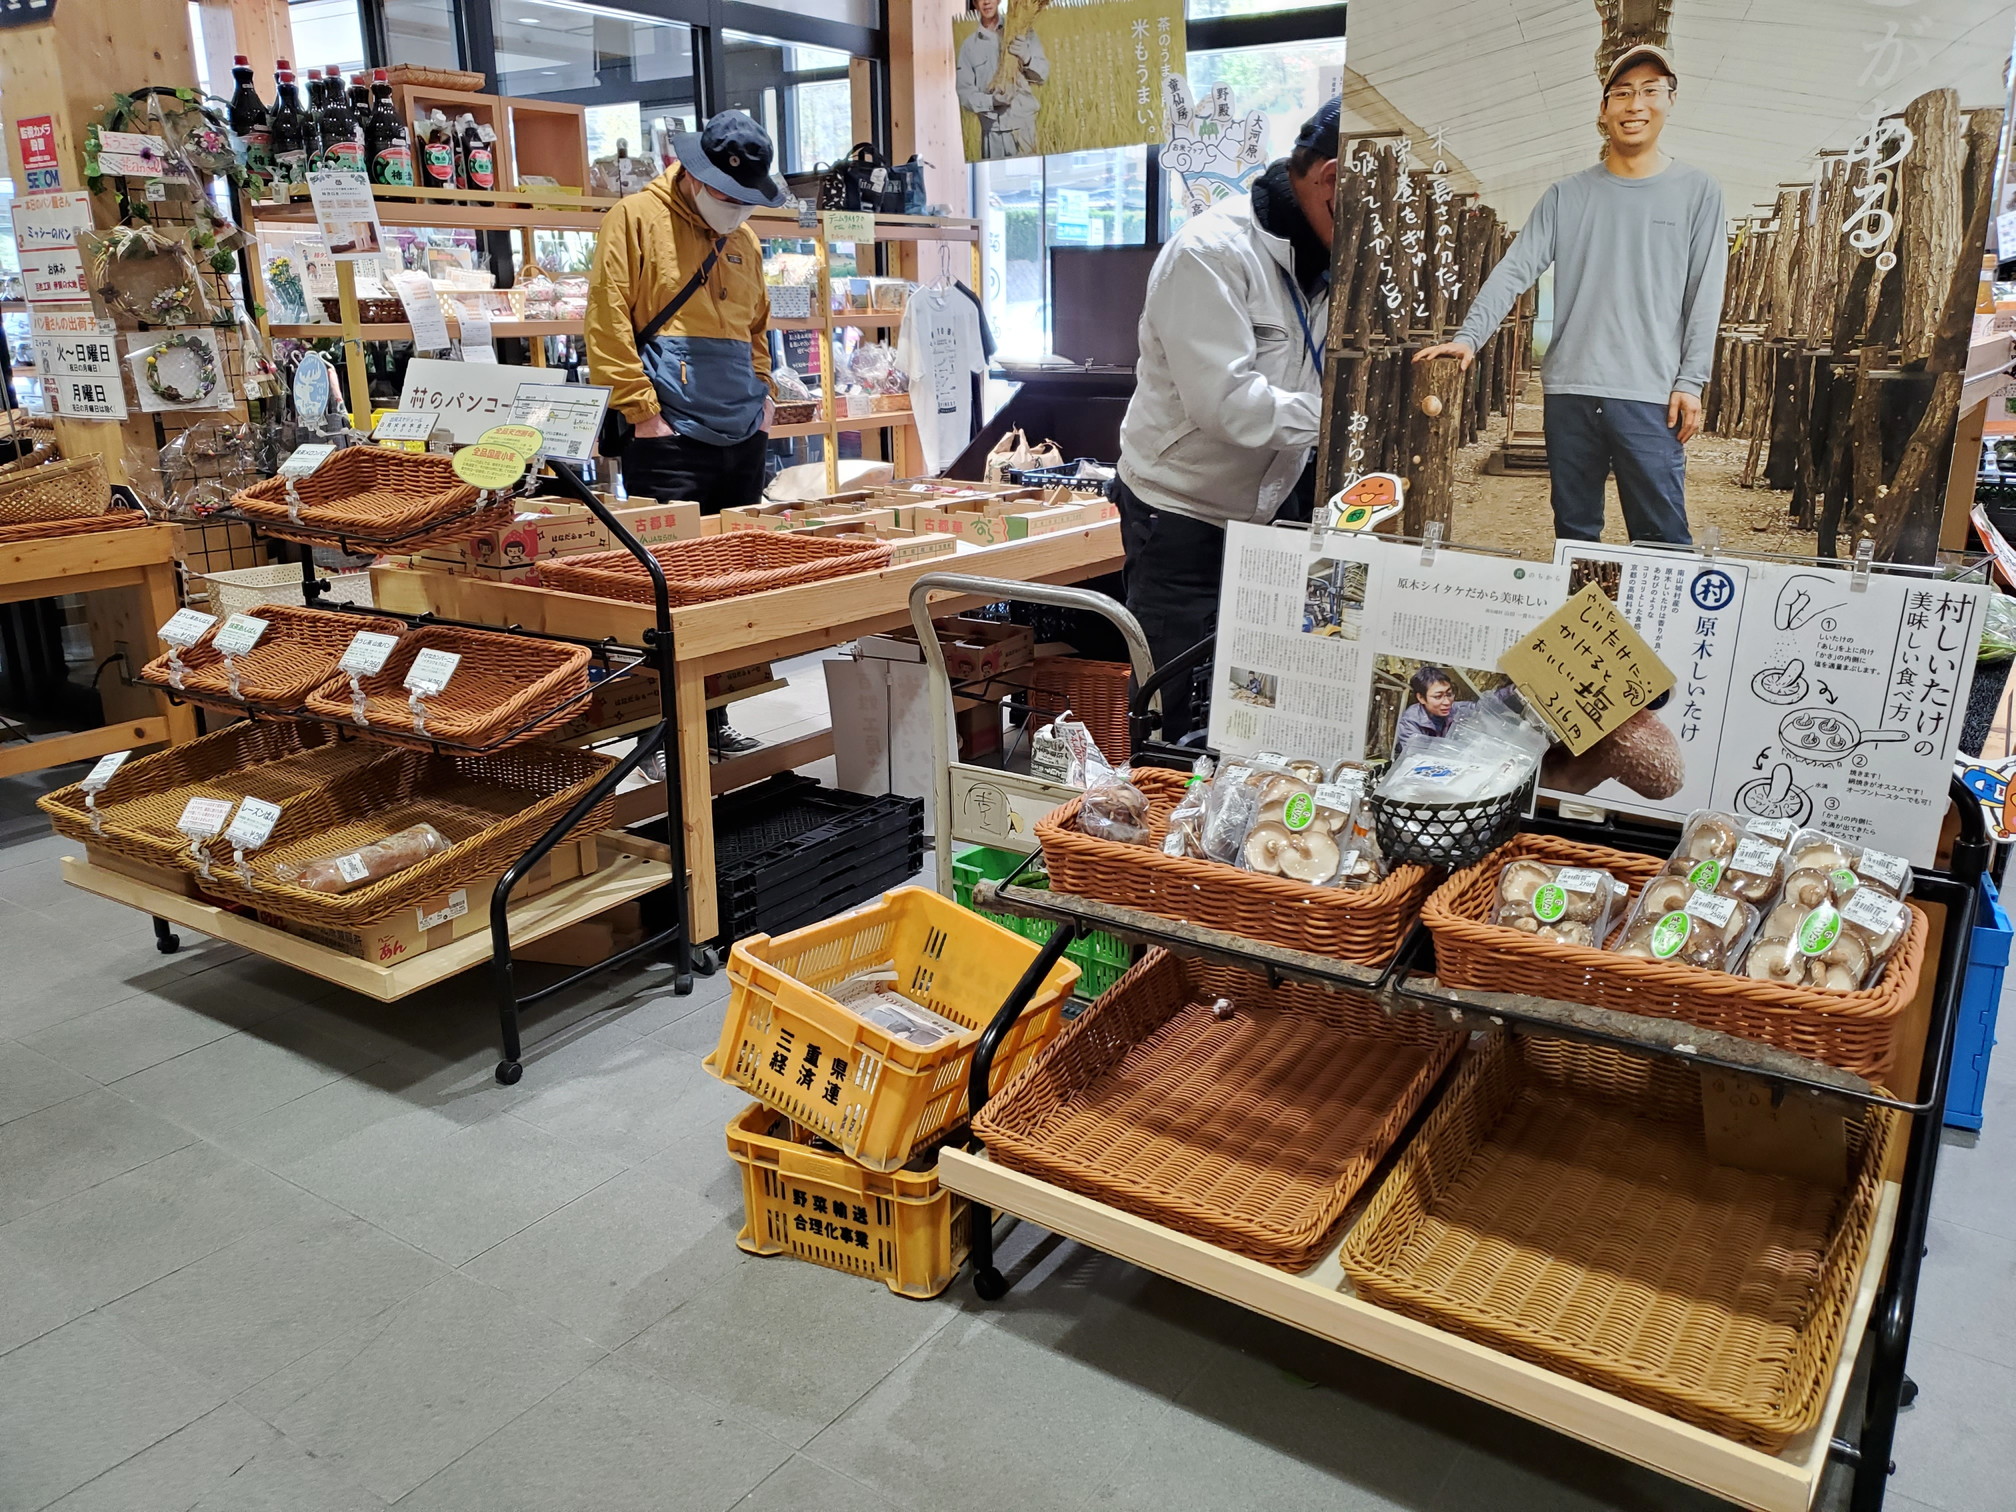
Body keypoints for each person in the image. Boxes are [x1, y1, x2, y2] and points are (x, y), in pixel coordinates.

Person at [1416, 44, 1725, 546]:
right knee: (1575, 532)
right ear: (1603, 110)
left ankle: (1658, 627)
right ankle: (1584, 621)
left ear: (1669, 102)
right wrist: (1469, 338)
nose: (1635, 105)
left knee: (1662, 535)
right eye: (1622, 94)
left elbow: (1705, 291)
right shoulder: (1566, 195)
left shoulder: (1698, 191)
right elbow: (1515, 270)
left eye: (1650, 92)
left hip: (1649, 394)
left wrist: (1690, 381)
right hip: (1570, 391)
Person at [1115, 98, 1340, 738]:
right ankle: (1158, 819)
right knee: (1172, 700)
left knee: (1256, 694)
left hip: (1270, 505)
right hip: (1181, 507)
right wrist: (1344, 421)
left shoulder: (1320, 258)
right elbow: (1226, 404)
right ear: (1328, 180)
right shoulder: (1210, 253)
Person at [586, 108, 787, 755]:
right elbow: (607, 324)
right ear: (697, 175)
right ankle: (661, 731)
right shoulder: (634, 220)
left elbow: (758, 329)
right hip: (667, 436)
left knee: (735, 582)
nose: (735, 208)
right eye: (727, 194)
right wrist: (644, 413)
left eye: (745, 199)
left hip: (742, 432)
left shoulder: (747, 241)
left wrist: (766, 398)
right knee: (666, 587)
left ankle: (717, 717)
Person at [955, 0, 1048, 160]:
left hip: (1023, 128)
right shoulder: (969, 46)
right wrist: (992, 101)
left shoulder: (1023, 31)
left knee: (1027, 180)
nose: (986, 2)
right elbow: (965, 94)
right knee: (992, 182)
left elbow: (1043, 75)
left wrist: (1027, 58)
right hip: (992, 134)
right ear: (975, 4)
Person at [1392, 666, 1460, 757]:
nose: (1447, 702)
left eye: (1449, 694)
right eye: (1438, 697)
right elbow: (1417, 756)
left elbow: (1477, 707)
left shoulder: (1455, 709)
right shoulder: (1410, 722)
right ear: (1421, 698)